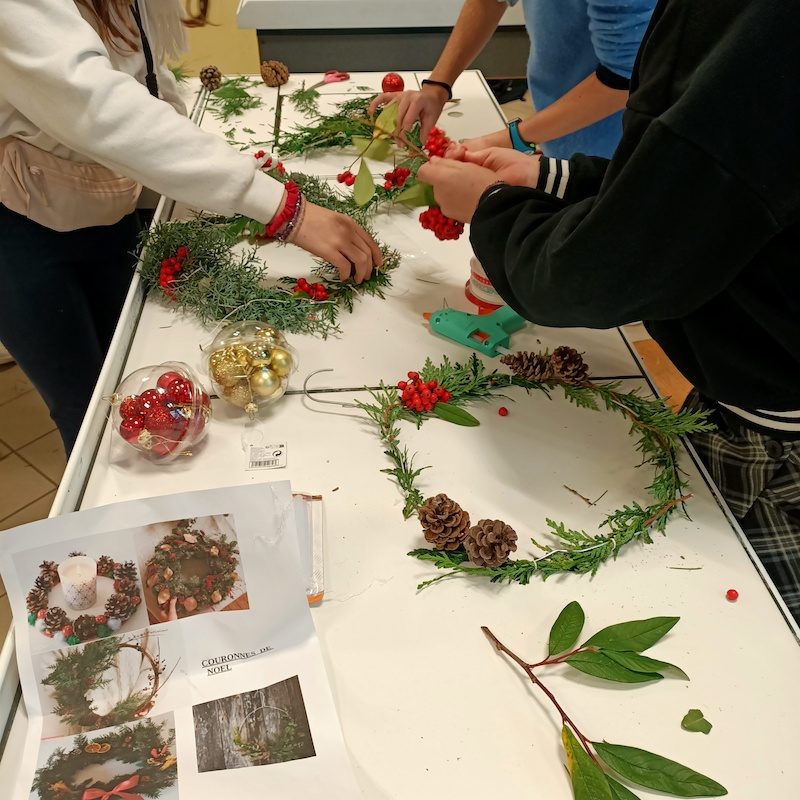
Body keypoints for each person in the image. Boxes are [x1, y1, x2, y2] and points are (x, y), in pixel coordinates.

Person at [417, 0, 800, 621]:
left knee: (738, 618)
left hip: (774, 430)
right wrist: (550, 177)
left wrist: (490, 207)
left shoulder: (766, 35)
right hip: (738, 382)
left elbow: (600, 273)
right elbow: (685, 188)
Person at [0, 0, 382, 455]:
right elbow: (89, 101)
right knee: (87, 411)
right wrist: (278, 207)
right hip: (18, 222)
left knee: (130, 367)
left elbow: (139, 74)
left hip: (103, 197)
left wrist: (206, 171)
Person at [369, 0, 656, 159]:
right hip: (562, 136)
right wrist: (437, 87)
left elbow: (626, 77)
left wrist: (515, 139)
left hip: (623, 156)